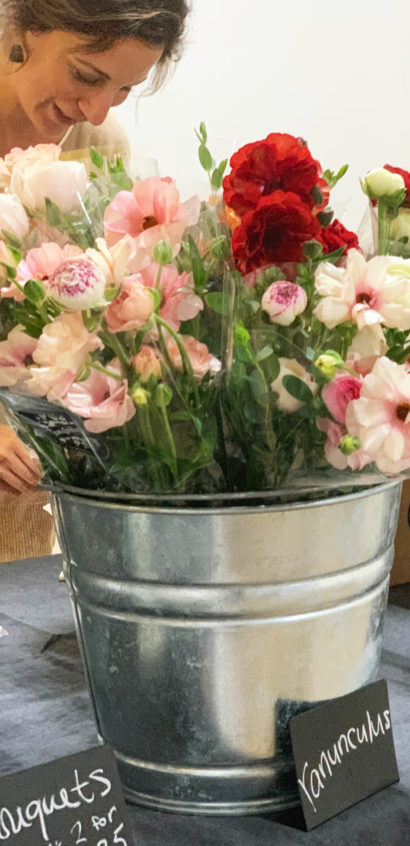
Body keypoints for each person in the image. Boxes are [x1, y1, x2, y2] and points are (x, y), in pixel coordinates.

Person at [0, 0, 189, 559]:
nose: (98, 110)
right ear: (23, 24)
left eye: (124, 89)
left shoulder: (97, 151)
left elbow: (95, 326)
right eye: (86, 76)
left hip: (25, 485)